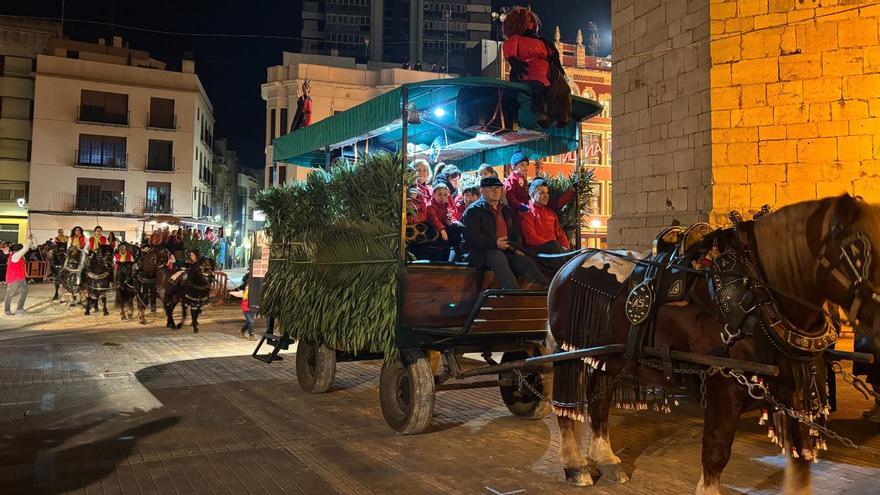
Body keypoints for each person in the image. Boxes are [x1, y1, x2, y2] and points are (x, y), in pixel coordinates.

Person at [461, 176, 549, 290]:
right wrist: (495, 243)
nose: (496, 190)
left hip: (505, 251)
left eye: (498, 188)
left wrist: (516, 249)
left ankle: (545, 287)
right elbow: (472, 238)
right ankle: (512, 291)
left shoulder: (505, 210)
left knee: (524, 261)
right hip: (478, 253)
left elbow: (514, 234)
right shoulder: (473, 211)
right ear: (482, 190)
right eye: (492, 188)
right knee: (496, 254)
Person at [519, 179, 571, 270]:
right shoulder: (527, 212)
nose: (546, 196)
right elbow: (530, 237)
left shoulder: (550, 212)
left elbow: (560, 232)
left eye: (547, 193)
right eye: (541, 193)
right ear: (531, 194)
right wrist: (554, 246)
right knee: (554, 245)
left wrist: (565, 247)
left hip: (556, 251)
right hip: (538, 251)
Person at [425, 184, 462, 261]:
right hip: (433, 233)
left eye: (445, 195)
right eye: (439, 194)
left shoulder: (445, 206)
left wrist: (449, 221)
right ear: (433, 194)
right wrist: (442, 230)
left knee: (457, 226)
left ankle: (457, 249)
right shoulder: (430, 206)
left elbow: (446, 219)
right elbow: (434, 220)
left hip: (442, 236)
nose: (442, 197)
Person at [4, 232, 33, 316]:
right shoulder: (15, 255)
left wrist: (30, 242)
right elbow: (26, 248)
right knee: (9, 294)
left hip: (20, 277)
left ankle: (19, 309)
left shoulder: (18, 256)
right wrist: (29, 240)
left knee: (24, 291)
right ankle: (7, 310)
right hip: (14, 278)